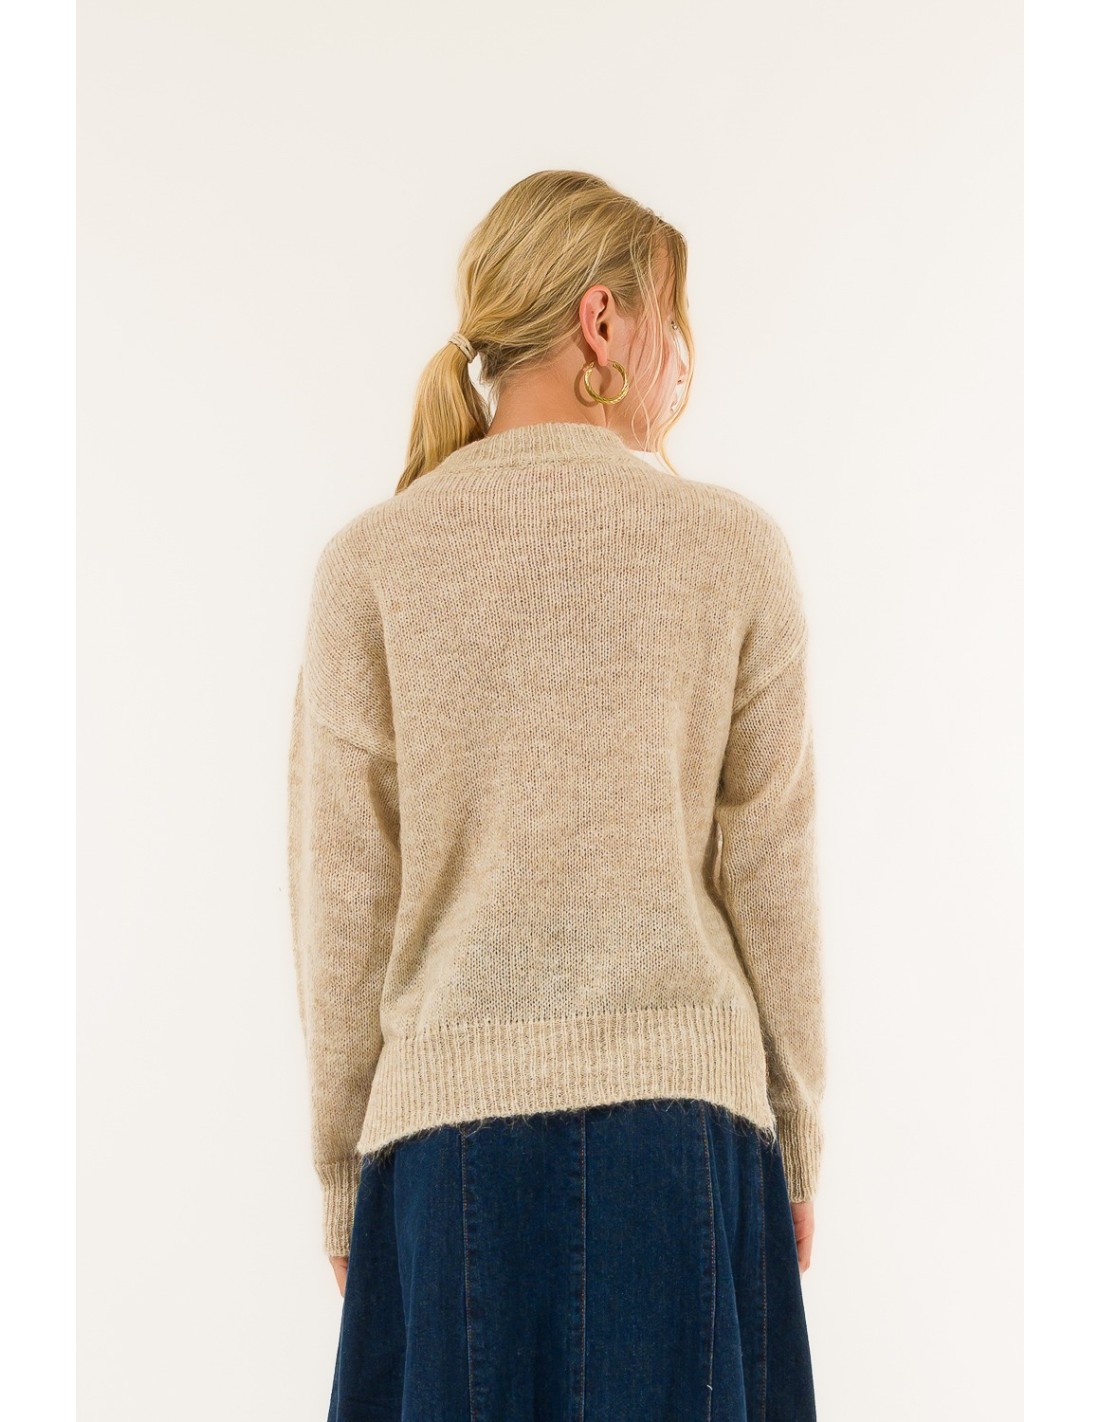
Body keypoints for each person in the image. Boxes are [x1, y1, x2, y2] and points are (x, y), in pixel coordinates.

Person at [287, 168, 827, 1421]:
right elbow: (770, 872)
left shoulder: (369, 565)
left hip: (444, 1159)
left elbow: (342, 903)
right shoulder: (734, 550)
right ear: (602, 322)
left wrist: (343, 1183)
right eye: (669, 323)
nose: (679, 359)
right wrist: (793, 1141)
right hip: (684, 1152)